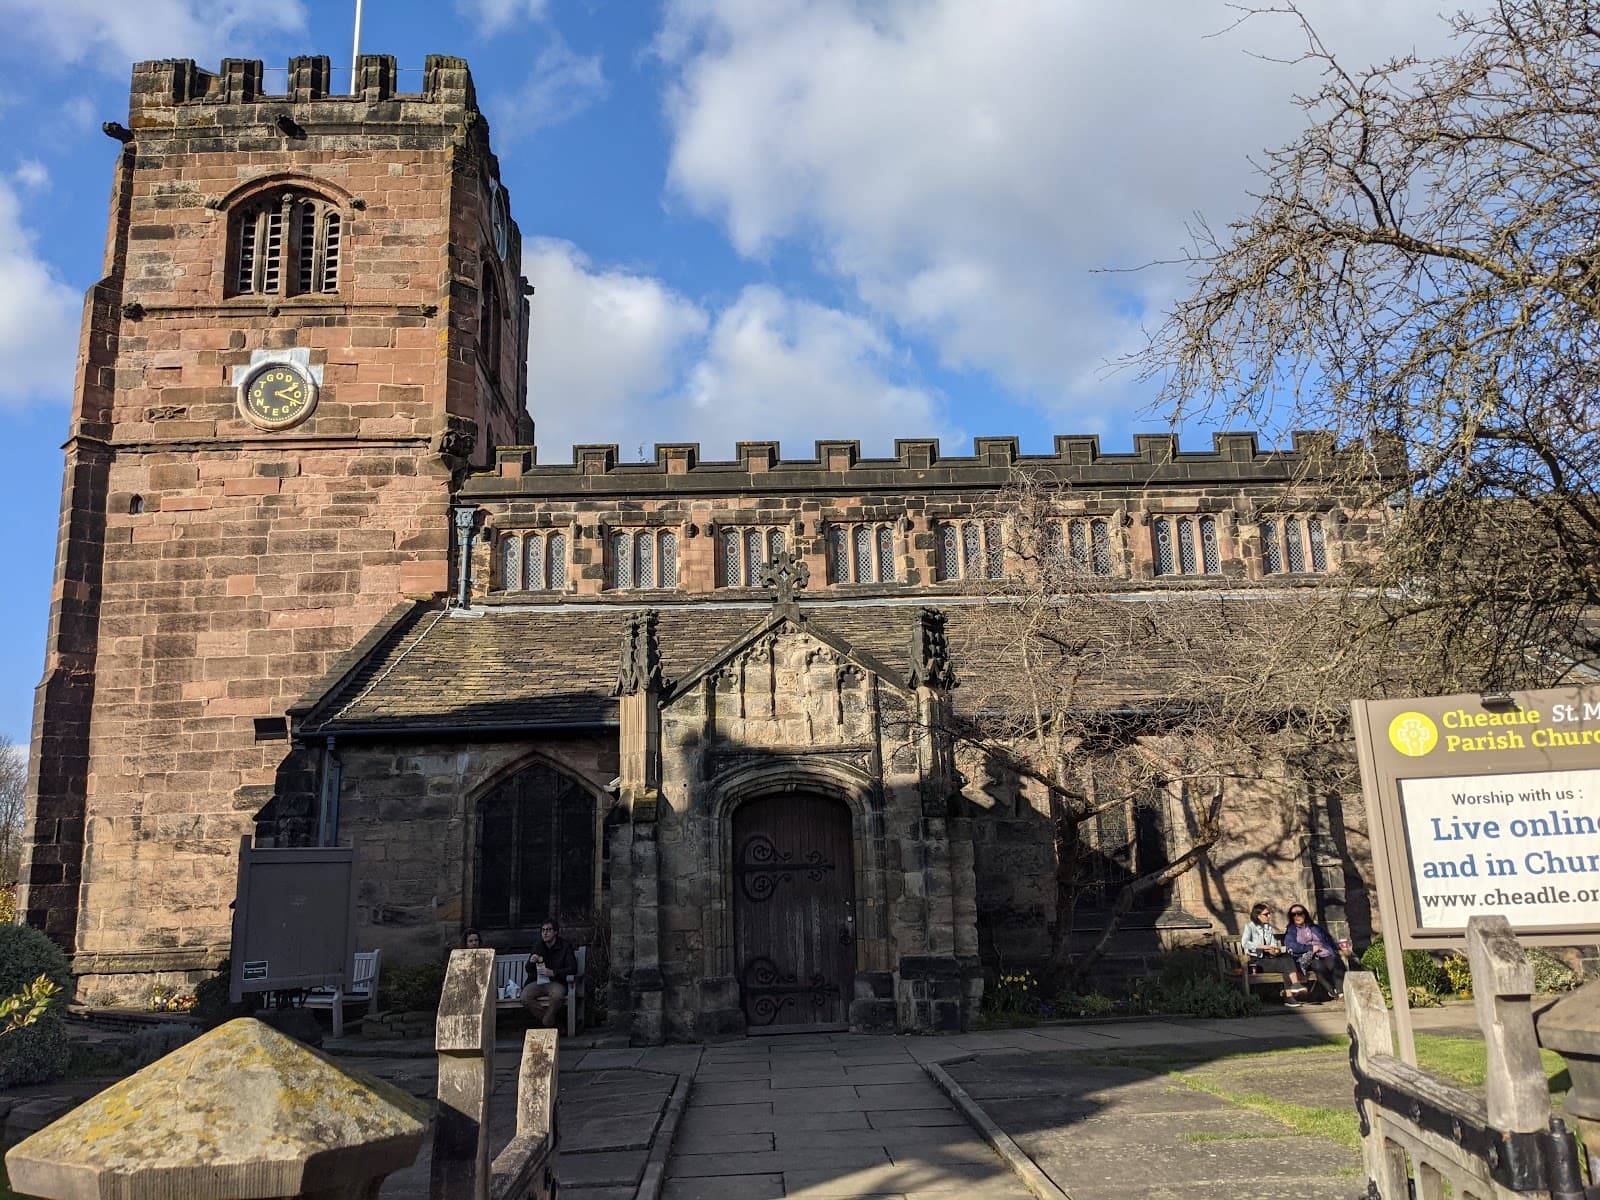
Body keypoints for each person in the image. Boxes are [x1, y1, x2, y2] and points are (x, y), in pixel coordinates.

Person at [1242, 901, 1308, 1007]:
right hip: (1257, 962)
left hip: (1269, 958)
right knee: (1286, 965)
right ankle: (1289, 996)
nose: (1269, 916)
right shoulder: (1250, 927)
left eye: (1269, 913)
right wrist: (1263, 947)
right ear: (1258, 916)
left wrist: (1274, 949)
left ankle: (1294, 987)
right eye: (1266, 914)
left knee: (1287, 958)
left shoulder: (1268, 928)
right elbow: (1245, 943)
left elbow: (1272, 944)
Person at [521, 917, 577, 1029]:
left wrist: (554, 972)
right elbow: (528, 969)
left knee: (556, 996)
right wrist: (531, 961)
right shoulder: (538, 945)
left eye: (548, 930)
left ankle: (547, 1022)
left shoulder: (565, 946)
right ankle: (554, 1023)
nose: (545, 933)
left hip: (557, 981)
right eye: (543, 930)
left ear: (555, 932)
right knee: (525, 997)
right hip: (538, 981)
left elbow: (573, 968)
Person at [1283, 904, 1347, 1000]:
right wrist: (1310, 948)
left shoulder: (1315, 928)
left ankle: (1340, 992)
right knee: (1318, 966)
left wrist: (1340, 946)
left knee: (1335, 962)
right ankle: (1331, 990)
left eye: (1299, 913)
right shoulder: (1292, 931)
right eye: (1293, 914)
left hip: (1324, 953)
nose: (1296, 916)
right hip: (1307, 958)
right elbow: (1292, 946)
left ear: (1305, 914)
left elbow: (1328, 941)